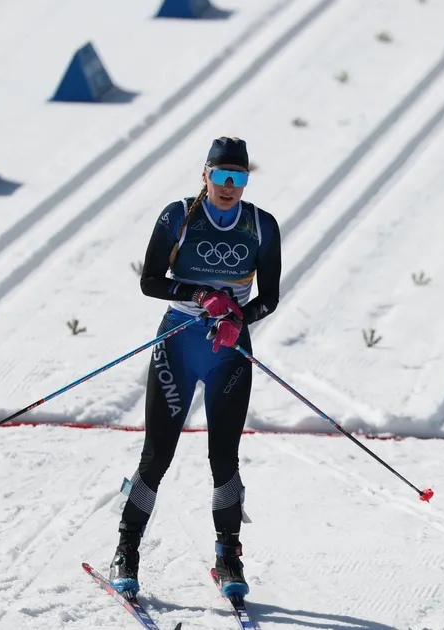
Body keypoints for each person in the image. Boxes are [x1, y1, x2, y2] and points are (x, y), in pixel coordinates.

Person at [109, 137, 281, 599]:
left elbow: (269, 297)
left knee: (224, 458)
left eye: (238, 178)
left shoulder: (262, 225)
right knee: (157, 455)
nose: (228, 186)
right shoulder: (178, 216)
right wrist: (200, 295)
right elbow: (149, 281)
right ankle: (126, 549)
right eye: (220, 175)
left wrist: (238, 318)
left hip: (229, 350)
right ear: (205, 174)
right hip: (179, 344)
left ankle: (228, 557)